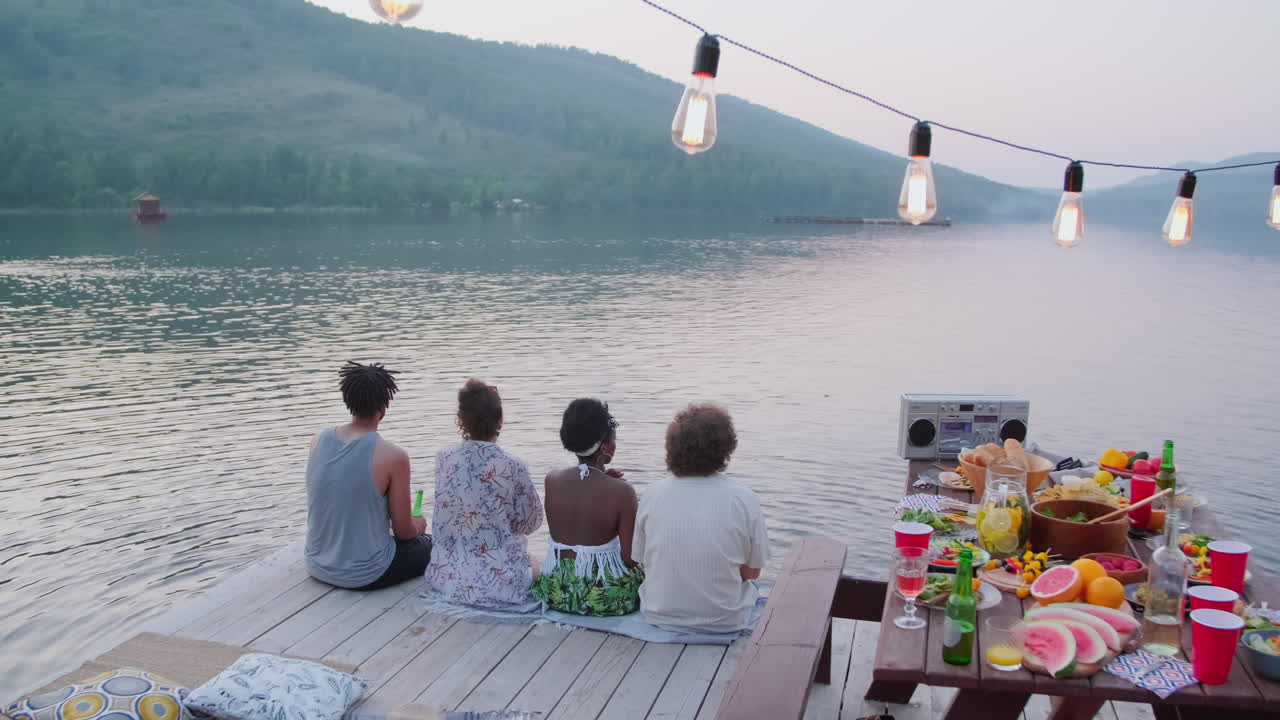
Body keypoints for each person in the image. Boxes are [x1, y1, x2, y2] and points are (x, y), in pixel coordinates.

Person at [632, 403, 769, 633]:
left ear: (672, 448)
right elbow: (752, 572)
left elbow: (642, 560)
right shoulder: (742, 497)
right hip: (725, 620)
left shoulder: (652, 494)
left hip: (659, 615)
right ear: (726, 448)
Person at [305, 361, 431, 591]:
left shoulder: (317, 440)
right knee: (432, 545)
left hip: (317, 563)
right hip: (365, 573)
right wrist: (419, 526)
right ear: (384, 407)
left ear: (347, 400)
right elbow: (404, 533)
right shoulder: (394, 456)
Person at [423, 378, 543, 610]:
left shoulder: (444, 458)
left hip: (446, 575)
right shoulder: (512, 465)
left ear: (461, 420)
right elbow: (531, 523)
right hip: (500, 583)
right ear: (500, 420)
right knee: (536, 564)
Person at [532, 399, 644, 616]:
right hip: (604, 598)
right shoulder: (623, 492)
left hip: (557, 591)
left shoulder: (551, 480)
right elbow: (631, 558)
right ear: (606, 446)